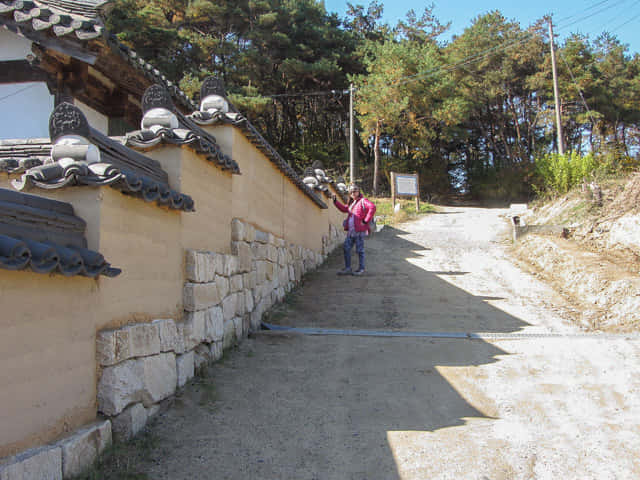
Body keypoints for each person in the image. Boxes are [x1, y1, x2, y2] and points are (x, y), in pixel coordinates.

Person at [330, 183, 376, 276]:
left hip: (359, 231)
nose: (353, 193)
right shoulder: (352, 204)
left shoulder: (363, 201)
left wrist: (365, 220)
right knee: (346, 248)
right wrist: (335, 201)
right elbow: (344, 209)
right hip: (351, 231)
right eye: (351, 192)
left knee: (359, 250)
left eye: (355, 191)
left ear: (358, 191)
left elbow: (372, 207)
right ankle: (348, 268)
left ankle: (361, 269)